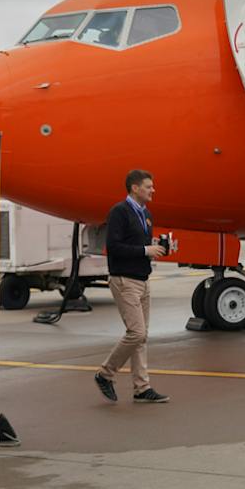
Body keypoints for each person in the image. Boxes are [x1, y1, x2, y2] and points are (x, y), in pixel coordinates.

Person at [95, 169, 170, 404]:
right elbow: (114, 247)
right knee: (136, 333)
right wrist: (144, 250)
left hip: (142, 280)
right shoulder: (119, 212)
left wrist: (154, 249)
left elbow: (139, 246)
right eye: (148, 186)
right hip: (124, 281)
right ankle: (105, 374)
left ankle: (141, 388)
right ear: (135, 188)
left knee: (142, 337)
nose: (153, 190)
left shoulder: (146, 214)